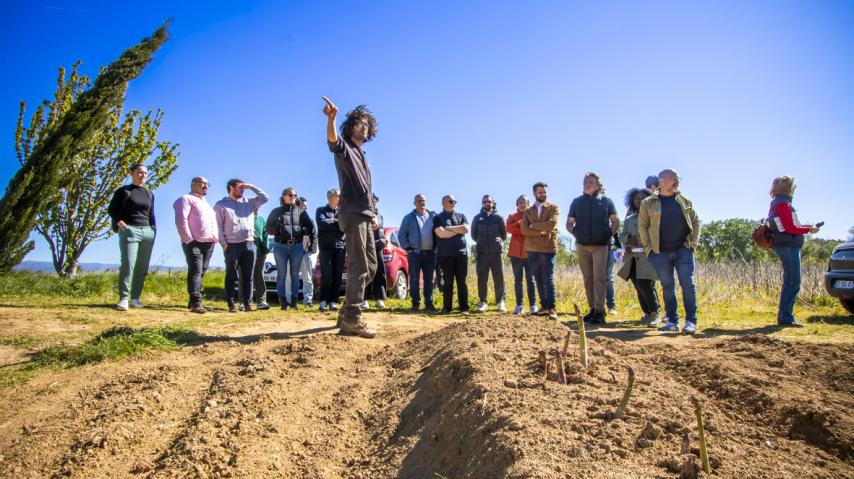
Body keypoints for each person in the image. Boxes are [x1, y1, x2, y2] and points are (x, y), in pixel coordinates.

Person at [323, 96, 378, 338]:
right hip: (352, 213)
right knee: (359, 265)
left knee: (372, 267)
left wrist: (373, 214)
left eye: (367, 124)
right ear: (350, 126)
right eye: (359, 123)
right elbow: (333, 143)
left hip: (365, 215)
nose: (364, 127)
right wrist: (331, 120)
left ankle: (346, 310)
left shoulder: (362, 154)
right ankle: (352, 318)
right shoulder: (344, 148)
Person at [638, 169, 701, 334]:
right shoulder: (648, 203)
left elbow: (695, 222)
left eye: (665, 177)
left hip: (683, 250)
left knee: (688, 284)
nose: (661, 180)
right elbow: (642, 226)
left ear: (674, 180)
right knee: (668, 286)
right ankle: (672, 321)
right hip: (660, 252)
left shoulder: (684, 201)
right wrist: (648, 249)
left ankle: (691, 322)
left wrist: (692, 244)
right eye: (660, 177)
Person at [566, 172, 619, 324]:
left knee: (599, 278)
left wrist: (608, 234)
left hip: (600, 246)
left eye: (590, 182)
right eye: (585, 181)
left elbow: (615, 222)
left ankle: (600, 311)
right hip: (582, 245)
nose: (586, 184)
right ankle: (592, 310)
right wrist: (576, 233)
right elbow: (569, 223)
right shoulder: (576, 202)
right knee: (588, 278)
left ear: (597, 185)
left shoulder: (607, 201)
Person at [768, 176, 819, 327]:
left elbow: (789, 226)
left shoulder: (779, 203)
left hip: (786, 245)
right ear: (789, 188)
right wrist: (809, 229)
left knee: (792, 280)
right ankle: (785, 317)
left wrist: (806, 227)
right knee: (793, 281)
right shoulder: (783, 204)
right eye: (794, 187)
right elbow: (790, 228)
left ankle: (786, 316)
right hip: (787, 246)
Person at [214, 179, 269, 313]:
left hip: (249, 244)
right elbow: (218, 227)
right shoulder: (221, 205)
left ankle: (248, 303)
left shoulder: (249, 201)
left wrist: (252, 187)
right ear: (231, 188)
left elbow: (265, 198)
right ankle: (231, 303)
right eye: (240, 187)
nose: (243, 189)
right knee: (232, 275)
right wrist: (224, 244)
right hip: (231, 245)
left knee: (248, 276)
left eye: (244, 188)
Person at [108, 164, 157, 311]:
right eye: (140, 172)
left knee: (142, 267)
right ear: (132, 173)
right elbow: (112, 209)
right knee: (128, 264)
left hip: (147, 232)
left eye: (145, 173)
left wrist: (153, 230)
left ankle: (135, 298)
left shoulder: (149, 193)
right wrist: (119, 222)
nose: (143, 175)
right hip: (130, 230)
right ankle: (123, 299)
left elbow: (151, 214)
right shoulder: (123, 191)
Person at [173, 176, 218, 314]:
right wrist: (188, 239)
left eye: (207, 184)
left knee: (201, 272)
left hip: (209, 242)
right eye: (203, 183)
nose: (206, 186)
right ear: (194, 184)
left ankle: (193, 300)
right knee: (196, 271)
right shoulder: (185, 199)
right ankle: (196, 303)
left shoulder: (205, 203)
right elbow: (181, 220)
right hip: (194, 242)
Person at [617, 187, 660, 326]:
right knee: (637, 284)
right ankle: (647, 313)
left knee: (646, 284)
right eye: (637, 198)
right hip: (632, 257)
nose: (640, 201)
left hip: (648, 256)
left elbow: (656, 233)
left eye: (643, 198)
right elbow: (622, 235)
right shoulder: (629, 219)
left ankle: (655, 313)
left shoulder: (653, 215)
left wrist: (641, 240)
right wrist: (628, 240)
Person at [266, 187, 314, 310]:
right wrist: (278, 229)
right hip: (280, 246)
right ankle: (283, 302)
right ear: (284, 196)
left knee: (294, 275)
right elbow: (268, 228)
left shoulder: (301, 212)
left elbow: (310, 227)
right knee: (282, 275)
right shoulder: (276, 211)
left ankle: (294, 302)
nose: (293, 197)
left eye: (295, 195)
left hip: (297, 246)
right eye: (291, 195)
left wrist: (301, 231)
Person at [522, 182, 560, 320]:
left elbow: (552, 224)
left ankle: (552, 308)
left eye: (544, 192)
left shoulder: (553, 207)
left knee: (548, 279)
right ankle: (544, 306)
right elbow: (524, 230)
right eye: (540, 192)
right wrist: (541, 232)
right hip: (532, 249)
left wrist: (533, 226)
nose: (543, 194)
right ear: (534, 193)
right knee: (538, 279)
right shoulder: (528, 211)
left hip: (547, 249)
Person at [399, 194, 438, 312]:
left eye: (423, 200)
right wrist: (408, 248)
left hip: (430, 253)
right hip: (415, 253)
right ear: (414, 203)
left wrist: (436, 248)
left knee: (429, 279)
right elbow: (402, 234)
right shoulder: (408, 218)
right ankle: (415, 304)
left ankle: (429, 304)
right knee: (414, 279)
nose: (422, 202)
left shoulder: (433, 216)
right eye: (419, 201)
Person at [434, 195, 470, 313]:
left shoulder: (461, 216)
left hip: (461, 254)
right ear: (444, 202)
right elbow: (442, 234)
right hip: (446, 255)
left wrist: (449, 228)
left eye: (455, 201)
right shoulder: (438, 218)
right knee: (448, 282)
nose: (454, 203)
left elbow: (466, 229)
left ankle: (464, 307)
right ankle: (447, 308)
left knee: (462, 282)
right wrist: (458, 230)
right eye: (451, 201)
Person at [471, 194, 507, 313]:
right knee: (482, 278)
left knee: (499, 279)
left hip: (496, 253)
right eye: (485, 201)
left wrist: (496, 244)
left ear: (493, 203)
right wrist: (481, 243)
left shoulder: (499, 218)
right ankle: (483, 302)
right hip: (482, 253)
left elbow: (504, 235)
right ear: (482, 204)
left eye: (489, 202)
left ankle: (500, 302)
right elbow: (473, 235)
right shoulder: (477, 218)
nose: (487, 203)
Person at [506, 195, 537, 315]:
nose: (522, 204)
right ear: (517, 204)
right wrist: (521, 224)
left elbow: (533, 230)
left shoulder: (533, 215)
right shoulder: (512, 216)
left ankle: (533, 305)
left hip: (529, 253)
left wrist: (519, 226)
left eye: (524, 202)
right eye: (520, 202)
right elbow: (508, 228)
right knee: (517, 281)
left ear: (528, 204)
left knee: (531, 280)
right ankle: (519, 305)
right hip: (515, 254)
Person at [316, 188, 345, 313]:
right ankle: (323, 301)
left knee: (337, 276)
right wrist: (336, 223)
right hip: (325, 248)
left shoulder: (343, 212)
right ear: (329, 197)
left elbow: (344, 226)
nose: (336, 197)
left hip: (340, 247)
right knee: (326, 276)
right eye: (334, 195)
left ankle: (333, 301)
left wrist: (333, 222)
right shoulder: (320, 210)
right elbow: (322, 224)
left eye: (338, 195)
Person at [238, 207, 271, 311]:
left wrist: (265, 250)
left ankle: (261, 301)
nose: (256, 208)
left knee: (258, 276)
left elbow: (265, 235)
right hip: (244, 251)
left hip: (260, 253)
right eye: (253, 206)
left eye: (258, 206)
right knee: (244, 276)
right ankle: (244, 302)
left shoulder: (261, 219)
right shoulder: (243, 218)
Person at [365, 194, 387, 309]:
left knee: (379, 272)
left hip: (378, 246)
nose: (373, 202)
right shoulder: (363, 214)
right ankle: (364, 299)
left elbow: (379, 228)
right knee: (366, 272)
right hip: (366, 247)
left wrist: (383, 240)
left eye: (374, 200)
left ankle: (380, 299)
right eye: (371, 200)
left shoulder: (380, 215)